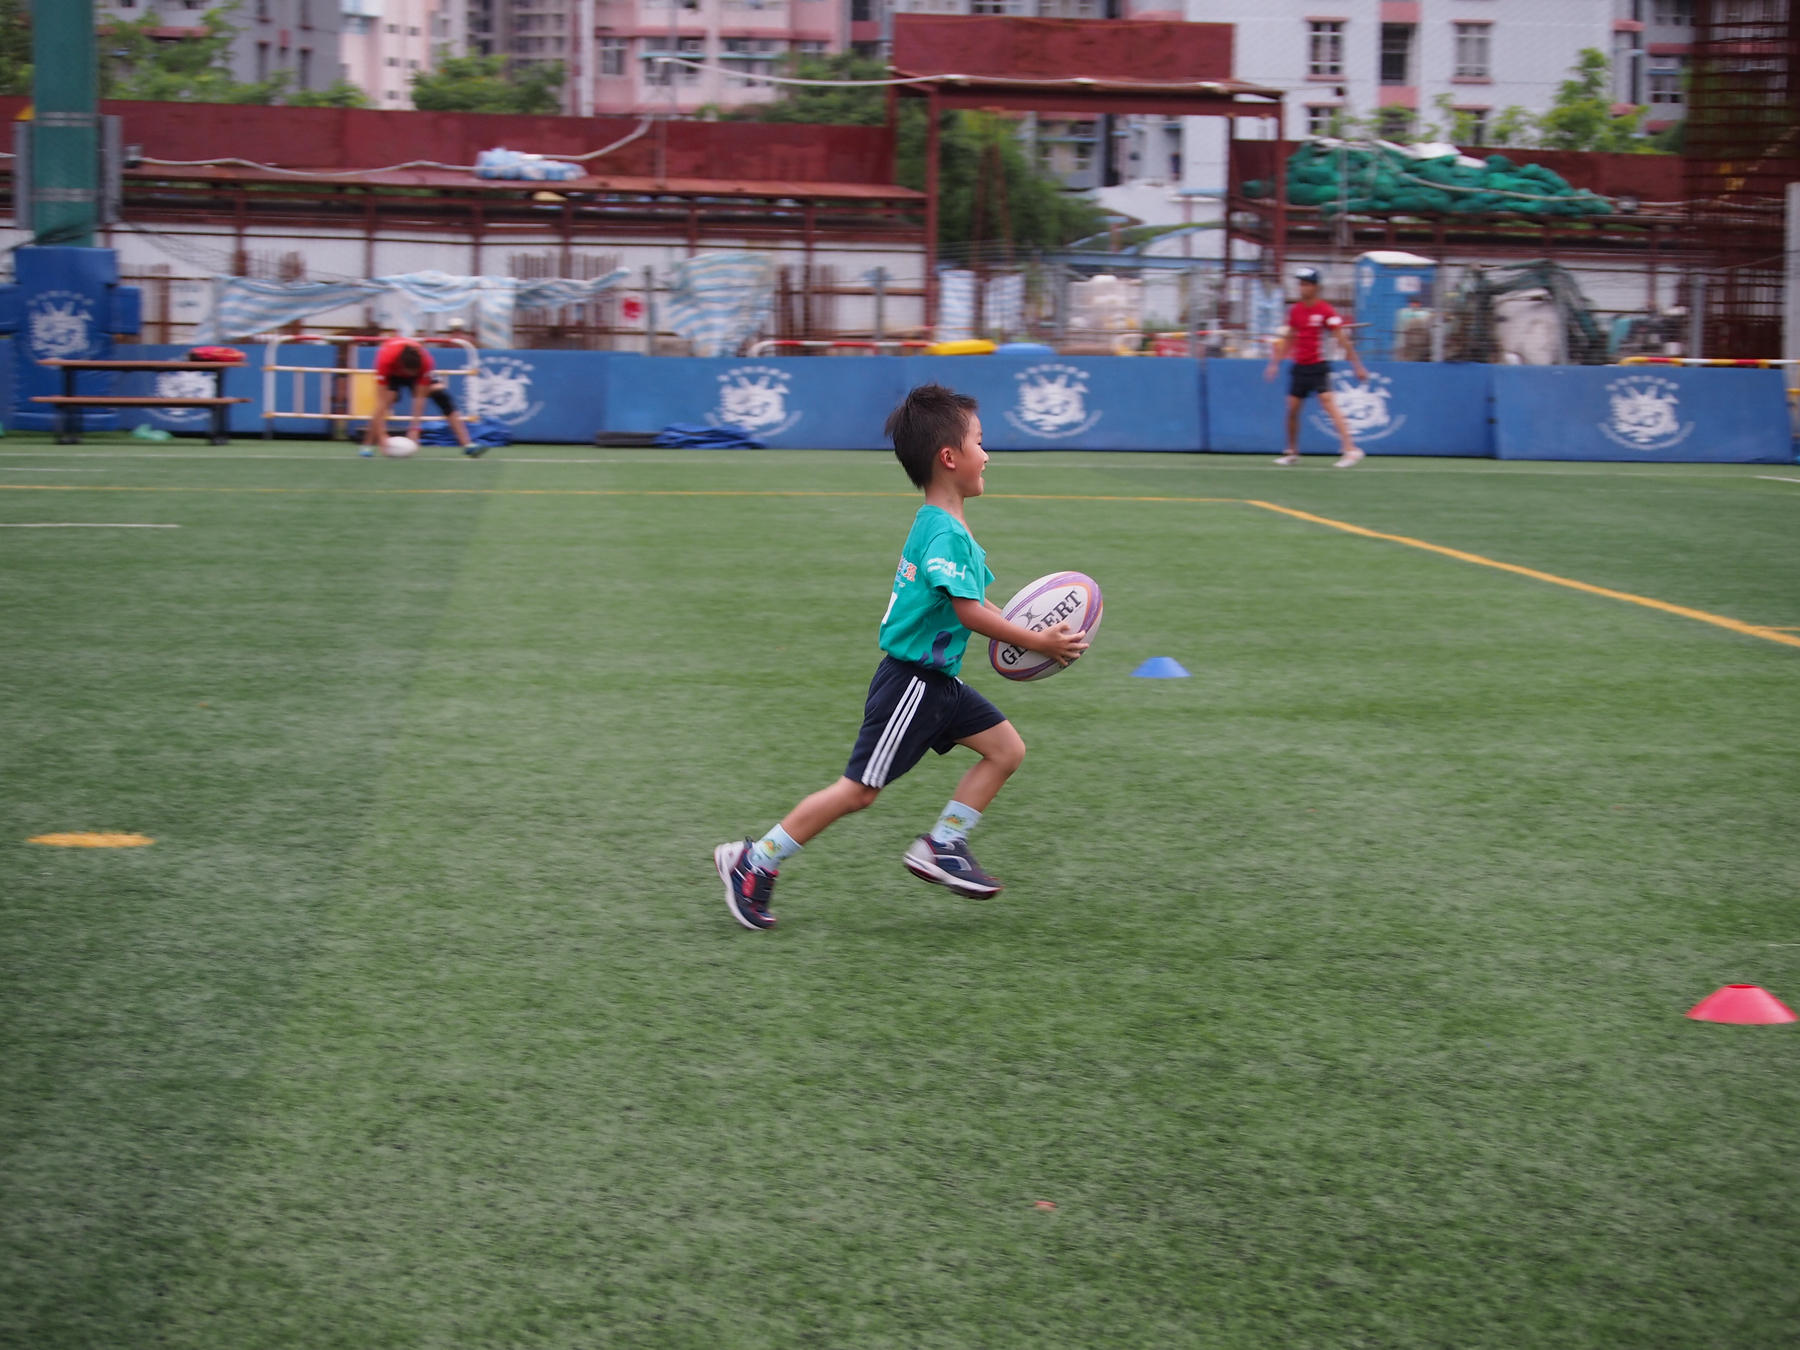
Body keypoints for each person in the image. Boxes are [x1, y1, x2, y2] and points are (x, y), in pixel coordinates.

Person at [712, 383, 1089, 931]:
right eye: (980, 442)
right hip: (912, 684)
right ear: (950, 457)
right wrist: (1037, 643)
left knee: (1006, 749)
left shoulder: (941, 524)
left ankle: (944, 844)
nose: (988, 455)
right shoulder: (945, 532)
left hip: (939, 684)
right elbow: (967, 612)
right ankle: (755, 860)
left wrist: (1025, 628)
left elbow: (976, 600)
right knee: (859, 791)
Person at [1263, 266, 1369, 468]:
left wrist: (1357, 365)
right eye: (1300, 284)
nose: (1302, 288)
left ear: (1315, 287)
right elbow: (1289, 338)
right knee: (1292, 409)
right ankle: (1292, 451)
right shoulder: (1295, 311)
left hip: (1318, 366)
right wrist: (1275, 363)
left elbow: (1341, 338)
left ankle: (1350, 449)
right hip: (1300, 367)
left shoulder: (1325, 310)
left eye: (1306, 284)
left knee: (1328, 403)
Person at [362, 335, 484, 457]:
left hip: (419, 371)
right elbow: (381, 401)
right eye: (409, 374)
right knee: (387, 400)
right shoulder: (385, 360)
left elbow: (419, 397)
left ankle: (467, 445)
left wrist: (415, 429)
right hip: (392, 373)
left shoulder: (426, 361)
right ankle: (367, 445)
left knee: (441, 395)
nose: (410, 377)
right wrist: (382, 436)